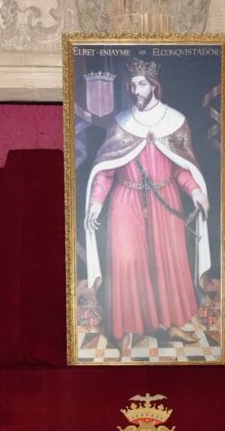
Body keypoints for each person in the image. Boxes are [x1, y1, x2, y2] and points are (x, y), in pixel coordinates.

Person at [83, 59, 211, 358]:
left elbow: (182, 168)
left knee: (168, 264)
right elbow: (105, 170)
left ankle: (169, 323)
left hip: (165, 199)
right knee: (127, 265)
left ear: (154, 86)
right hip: (125, 200)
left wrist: (195, 191)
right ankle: (127, 330)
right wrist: (95, 202)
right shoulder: (120, 122)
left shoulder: (175, 121)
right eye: (132, 84)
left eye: (140, 83)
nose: (134, 89)